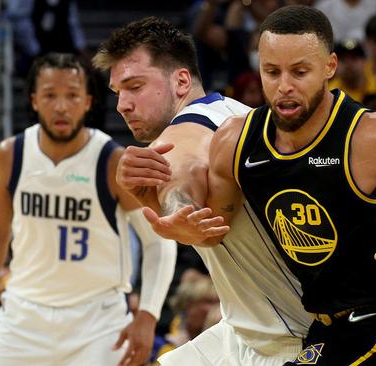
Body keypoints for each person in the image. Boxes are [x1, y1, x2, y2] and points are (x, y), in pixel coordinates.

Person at [148, 5, 376, 364]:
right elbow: (215, 232)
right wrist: (176, 221)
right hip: (325, 328)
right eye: (271, 72)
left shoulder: (373, 137)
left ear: (329, 66)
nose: (284, 87)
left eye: (299, 72)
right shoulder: (237, 142)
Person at [92, 17, 312, 365]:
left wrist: (179, 211)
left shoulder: (190, 124)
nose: (122, 105)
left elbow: (182, 165)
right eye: (118, 92)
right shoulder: (238, 112)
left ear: (181, 81)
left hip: (289, 339)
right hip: (243, 331)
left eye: (134, 87)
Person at [0, 53, 176, 366]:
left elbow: (158, 239)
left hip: (98, 322)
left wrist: (147, 315)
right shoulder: (10, 156)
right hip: (24, 316)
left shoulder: (111, 161)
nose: (61, 107)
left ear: (88, 102)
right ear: (35, 101)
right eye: (51, 96)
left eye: (72, 96)